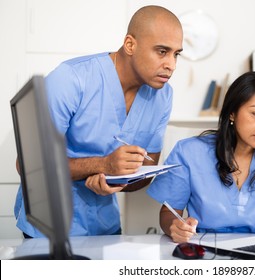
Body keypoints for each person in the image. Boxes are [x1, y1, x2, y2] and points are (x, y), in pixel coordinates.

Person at [14, 5, 183, 237]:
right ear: (130, 44)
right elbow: (26, 165)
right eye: (162, 51)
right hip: (47, 230)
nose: (171, 65)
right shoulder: (70, 79)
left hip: (106, 228)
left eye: (176, 54)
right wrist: (103, 165)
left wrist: (116, 181)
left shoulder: (163, 96)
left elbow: (146, 171)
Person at [147, 71, 255, 243]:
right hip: (207, 249)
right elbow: (168, 213)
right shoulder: (189, 152)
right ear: (232, 112)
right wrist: (176, 227)